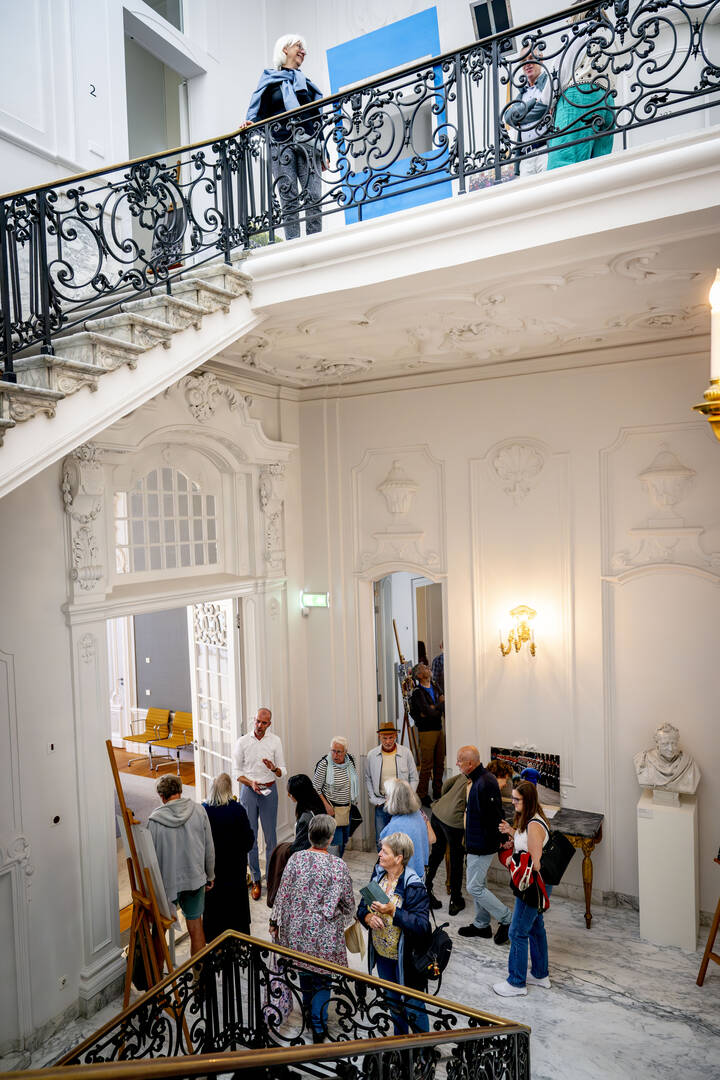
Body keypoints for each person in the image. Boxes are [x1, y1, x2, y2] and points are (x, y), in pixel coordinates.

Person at [270, 814, 355, 1043]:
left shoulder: (295, 859)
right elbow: (348, 903)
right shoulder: (338, 866)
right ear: (330, 839)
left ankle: (308, 1013)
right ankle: (318, 1026)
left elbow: (282, 894)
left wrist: (274, 922)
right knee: (322, 978)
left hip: (296, 931)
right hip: (324, 935)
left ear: (309, 835)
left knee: (304, 972)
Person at [245, 35, 325, 240]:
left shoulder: (307, 84)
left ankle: (314, 241)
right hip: (280, 144)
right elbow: (259, 112)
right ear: (284, 50)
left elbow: (317, 117)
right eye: (298, 46)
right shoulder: (270, 81)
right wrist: (251, 123)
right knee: (288, 197)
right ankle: (293, 242)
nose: (303, 51)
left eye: (303, 48)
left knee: (314, 196)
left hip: (308, 142)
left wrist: (323, 150)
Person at [357, 832, 431, 1035]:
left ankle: (423, 1047)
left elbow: (422, 926)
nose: (379, 854)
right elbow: (362, 908)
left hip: (406, 960)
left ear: (399, 858)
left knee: (413, 1006)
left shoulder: (413, 886)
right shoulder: (378, 875)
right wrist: (368, 918)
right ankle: (400, 1042)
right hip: (383, 957)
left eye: (384, 851)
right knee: (393, 1004)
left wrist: (393, 911)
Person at [493, 779, 552, 997]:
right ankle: (540, 974)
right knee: (535, 928)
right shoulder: (531, 819)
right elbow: (525, 842)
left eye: (517, 799)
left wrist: (513, 861)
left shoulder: (534, 826)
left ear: (527, 801)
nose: (513, 802)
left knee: (517, 932)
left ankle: (516, 982)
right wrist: (512, 831)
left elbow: (535, 863)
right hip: (535, 884)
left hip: (532, 885)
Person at [148, 774, 215, 956]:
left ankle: (158, 973)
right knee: (196, 927)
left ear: (162, 796)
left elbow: (150, 860)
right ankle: (199, 973)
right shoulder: (199, 810)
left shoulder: (154, 821)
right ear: (180, 790)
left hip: (167, 883)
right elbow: (209, 847)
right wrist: (210, 875)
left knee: (160, 931)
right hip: (195, 878)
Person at [547, 7, 615, 171]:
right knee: (598, 167)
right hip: (607, 100)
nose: (568, 22)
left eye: (570, 18)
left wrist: (547, 101)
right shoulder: (610, 35)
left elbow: (561, 69)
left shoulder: (583, 28)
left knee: (563, 164)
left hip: (579, 96)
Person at [457, 746, 512, 945]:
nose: (457, 763)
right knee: (479, 884)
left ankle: (507, 919)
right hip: (475, 843)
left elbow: (494, 815)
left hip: (482, 845)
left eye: (460, 760)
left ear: (470, 763)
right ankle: (481, 925)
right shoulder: (479, 779)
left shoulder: (485, 782)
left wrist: (502, 839)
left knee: (474, 887)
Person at [233, 707, 287, 901]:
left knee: (271, 837)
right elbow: (236, 771)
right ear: (253, 720)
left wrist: (274, 768)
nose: (259, 725)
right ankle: (256, 879)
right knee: (250, 837)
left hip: (269, 792)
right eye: (257, 721)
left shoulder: (275, 741)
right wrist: (250, 783)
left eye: (264, 723)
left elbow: (282, 771)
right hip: (249, 791)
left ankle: (272, 880)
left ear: (269, 724)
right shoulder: (242, 742)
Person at [201, 773, 254, 942]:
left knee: (214, 910)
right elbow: (248, 841)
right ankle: (238, 941)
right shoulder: (238, 810)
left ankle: (215, 943)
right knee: (236, 908)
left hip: (213, 870)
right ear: (229, 789)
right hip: (235, 869)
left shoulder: (204, 810)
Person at [265, 773, 325, 908]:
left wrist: (285, 850)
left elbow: (299, 849)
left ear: (299, 794)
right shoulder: (317, 806)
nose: (288, 795)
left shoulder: (306, 818)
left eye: (290, 792)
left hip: (307, 868)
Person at [424, 770, 472, 915]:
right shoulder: (479, 781)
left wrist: (448, 800)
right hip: (454, 821)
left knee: (436, 854)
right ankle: (455, 900)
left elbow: (446, 785)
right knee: (456, 859)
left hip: (438, 812)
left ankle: (425, 889)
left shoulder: (465, 774)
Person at [365, 720, 419, 844]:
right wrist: (373, 799)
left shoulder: (406, 753)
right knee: (381, 839)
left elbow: (414, 777)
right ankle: (382, 857)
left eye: (391, 737)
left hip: (401, 803)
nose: (388, 741)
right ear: (379, 737)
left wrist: (408, 797)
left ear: (395, 736)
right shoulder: (372, 755)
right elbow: (368, 778)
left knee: (401, 839)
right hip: (381, 803)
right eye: (384, 738)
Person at [506, 49, 552, 176]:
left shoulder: (548, 83)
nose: (527, 64)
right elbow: (508, 117)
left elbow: (543, 109)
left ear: (540, 58)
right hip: (526, 157)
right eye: (523, 61)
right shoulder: (522, 94)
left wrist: (519, 118)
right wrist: (532, 102)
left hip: (545, 150)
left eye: (531, 58)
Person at [313, 736, 360, 856]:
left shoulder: (350, 761)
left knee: (344, 840)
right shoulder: (324, 764)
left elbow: (352, 782)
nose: (335, 755)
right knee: (335, 843)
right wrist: (326, 806)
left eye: (339, 752)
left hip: (347, 809)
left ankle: (338, 862)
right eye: (333, 751)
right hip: (332, 810)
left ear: (345, 752)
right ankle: (334, 864)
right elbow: (316, 787)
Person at [379, 779, 431, 880]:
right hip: (420, 872)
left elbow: (389, 859)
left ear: (395, 800)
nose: (385, 799)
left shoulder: (395, 826)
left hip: (404, 879)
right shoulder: (417, 814)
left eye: (387, 796)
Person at [409, 662, 445, 805]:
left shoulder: (435, 685)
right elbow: (427, 711)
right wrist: (437, 707)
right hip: (427, 731)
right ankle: (422, 794)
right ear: (419, 675)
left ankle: (438, 790)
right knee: (427, 764)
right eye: (424, 668)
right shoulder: (417, 692)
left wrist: (434, 708)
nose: (428, 668)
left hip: (439, 728)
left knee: (440, 762)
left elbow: (441, 704)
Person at [633, 722, 701, 794]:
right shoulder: (643, 760)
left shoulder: (688, 764)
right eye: (665, 744)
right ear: (657, 743)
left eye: (674, 743)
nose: (670, 749)